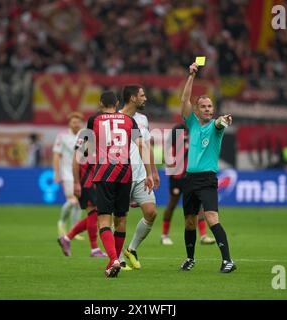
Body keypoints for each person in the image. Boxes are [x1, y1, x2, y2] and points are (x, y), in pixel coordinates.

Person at [86, 91, 153, 278]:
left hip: (104, 174)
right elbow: (141, 146)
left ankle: (114, 259)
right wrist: (149, 173)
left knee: (104, 219)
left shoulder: (94, 120)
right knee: (121, 220)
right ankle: (113, 261)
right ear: (117, 103)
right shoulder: (129, 121)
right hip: (125, 174)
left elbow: (87, 149)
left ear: (100, 103)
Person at [180, 61, 236, 273]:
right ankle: (190, 259)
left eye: (210, 107)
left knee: (212, 218)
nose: (207, 109)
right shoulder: (193, 124)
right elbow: (184, 99)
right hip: (190, 180)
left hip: (207, 180)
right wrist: (192, 76)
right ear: (196, 110)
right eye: (203, 106)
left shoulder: (215, 126)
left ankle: (227, 260)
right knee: (189, 222)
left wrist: (225, 119)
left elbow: (222, 122)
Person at [117, 85, 160, 271]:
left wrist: (153, 172)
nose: (145, 98)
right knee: (120, 218)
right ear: (133, 98)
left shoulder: (143, 119)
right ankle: (118, 258)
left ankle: (131, 249)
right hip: (121, 175)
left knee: (151, 212)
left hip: (141, 174)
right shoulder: (115, 118)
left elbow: (145, 146)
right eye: (142, 95)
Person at [161, 122, 215, 246]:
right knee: (172, 204)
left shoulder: (194, 134)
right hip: (177, 177)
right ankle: (164, 235)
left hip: (190, 177)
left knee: (198, 205)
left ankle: (203, 235)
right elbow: (167, 153)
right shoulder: (176, 135)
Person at [57, 127, 107, 258]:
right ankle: (94, 248)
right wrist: (76, 182)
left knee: (94, 215)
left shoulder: (101, 142)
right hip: (86, 183)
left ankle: (67, 239)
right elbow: (76, 162)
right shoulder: (87, 140)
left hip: (95, 184)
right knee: (93, 213)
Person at [53, 112, 84, 239]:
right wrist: (56, 173)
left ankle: (74, 230)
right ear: (69, 123)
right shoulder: (62, 136)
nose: (76, 124)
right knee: (72, 200)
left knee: (78, 203)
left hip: (81, 174)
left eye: (78, 122)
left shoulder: (84, 136)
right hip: (67, 173)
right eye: (73, 122)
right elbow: (56, 155)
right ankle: (61, 222)